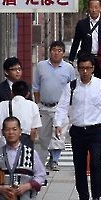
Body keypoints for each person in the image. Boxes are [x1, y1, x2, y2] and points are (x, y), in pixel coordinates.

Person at [54, 54, 101, 200]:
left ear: (93, 69)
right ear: (78, 69)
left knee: (95, 162)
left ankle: (96, 197)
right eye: (82, 68)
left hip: (95, 130)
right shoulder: (72, 87)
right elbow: (62, 106)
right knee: (79, 165)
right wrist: (58, 124)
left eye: (88, 68)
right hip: (78, 131)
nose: (85, 71)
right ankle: (83, 198)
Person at [33, 41, 75, 170]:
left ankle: (54, 160)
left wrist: (69, 108)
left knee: (58, 135)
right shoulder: (41, 66)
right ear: (49, 51)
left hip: (60, 107)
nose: (56, 53)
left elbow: (72, 88)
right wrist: (38, 104)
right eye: (54, 50)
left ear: (63, 53)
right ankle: (46, 159)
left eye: (59, 50)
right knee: (44, 137)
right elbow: (36, 87)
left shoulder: (69, 68)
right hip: (44, 106)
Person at [0, 57, 23, 152]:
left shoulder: (25, 87)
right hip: (5, 134)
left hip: (22, 133)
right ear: (6, 72)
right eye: (14, 69)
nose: (18, 72)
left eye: (19, 69)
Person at [69, 0, 101, 79]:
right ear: (88, 8)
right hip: (87, 58)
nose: (94, 10)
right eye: (92, 7)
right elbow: (76, 42)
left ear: (100, 8)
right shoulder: (82, 24)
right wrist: (71, 59)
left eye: (96, 7)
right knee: (85, 80)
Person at [0, 80, 41, 147]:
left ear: (12, 93)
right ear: (28, 94)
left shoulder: (2, 105)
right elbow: (33, 131)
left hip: (5, 142)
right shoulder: (32, 105)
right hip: (25, 142)